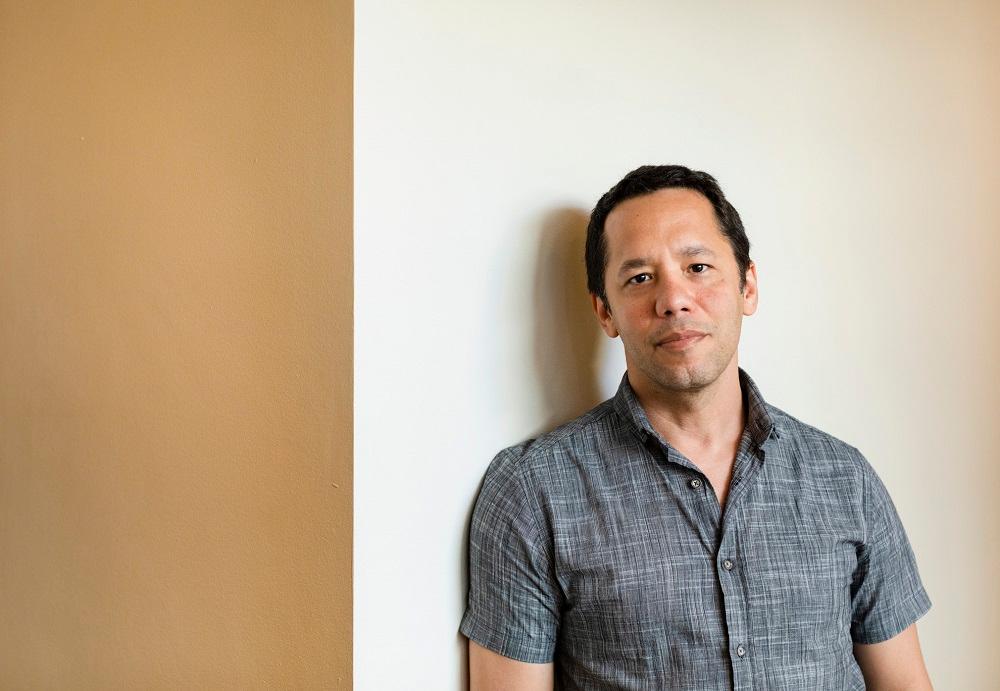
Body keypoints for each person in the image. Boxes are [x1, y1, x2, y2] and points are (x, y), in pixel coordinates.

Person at [459, 165, 933, 690]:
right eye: (640, 278)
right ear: (605, 312)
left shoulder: (845, 478)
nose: (674, 299)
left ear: (748, 286)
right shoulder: (532, 492)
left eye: (698, 267)